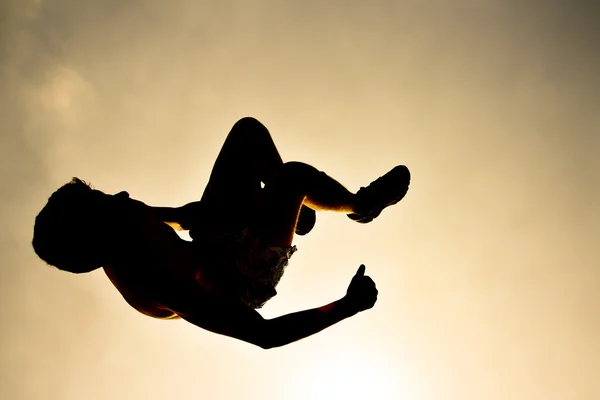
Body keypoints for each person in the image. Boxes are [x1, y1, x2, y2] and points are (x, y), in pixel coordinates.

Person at [32, 117, 411, 349]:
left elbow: (185, 216)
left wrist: (224, 213)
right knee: (293, 177)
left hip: (214, 241)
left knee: (248, 133)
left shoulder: (122, 217)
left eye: (104, 192)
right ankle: (360, 206)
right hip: (242, 274)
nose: (122, 194)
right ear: (98, 233)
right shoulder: (151, 282)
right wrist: (345, 306)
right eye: (105, 201)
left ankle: (297, 211)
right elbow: (265, 335)